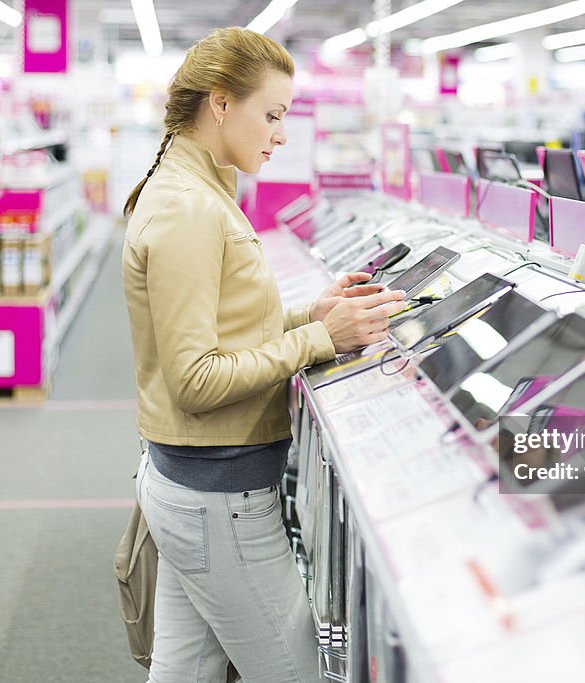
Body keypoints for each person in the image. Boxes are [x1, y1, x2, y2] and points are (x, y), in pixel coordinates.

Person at [121, 27, 407, 683]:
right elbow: (195, 380)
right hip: (216, 502)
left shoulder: (192, 188)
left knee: (185, 671)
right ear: (220, 104)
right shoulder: (190, 208)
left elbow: (220, 329)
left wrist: (311, 313)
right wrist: (319, 339)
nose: (280, 134)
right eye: (272, 114)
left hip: (191, 488)